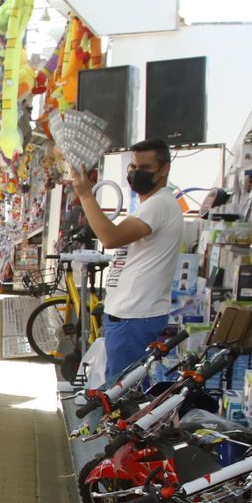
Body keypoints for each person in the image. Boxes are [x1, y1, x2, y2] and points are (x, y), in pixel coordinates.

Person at [70, 139, 182, 382]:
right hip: (130, 315)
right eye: (132, 167)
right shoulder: (151, 205)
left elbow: (111, 237)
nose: (135, 173)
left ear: (164, 170)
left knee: (121, 392)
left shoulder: (160, 204)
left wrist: (86, 196)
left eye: (144, 168)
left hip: (136, 316)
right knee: (121, 387)